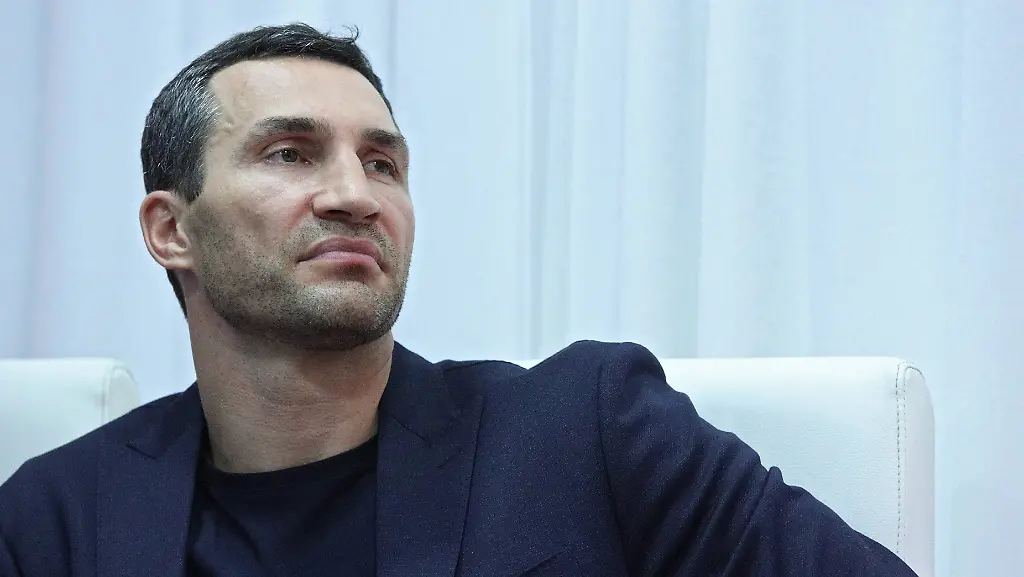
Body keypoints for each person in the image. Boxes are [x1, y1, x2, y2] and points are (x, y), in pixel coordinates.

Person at [0, 23, 919, 577]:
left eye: (382, 163)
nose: (355, 193)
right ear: (171, 230)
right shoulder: (55, 516)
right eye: (290, 153)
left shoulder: (591, 429)